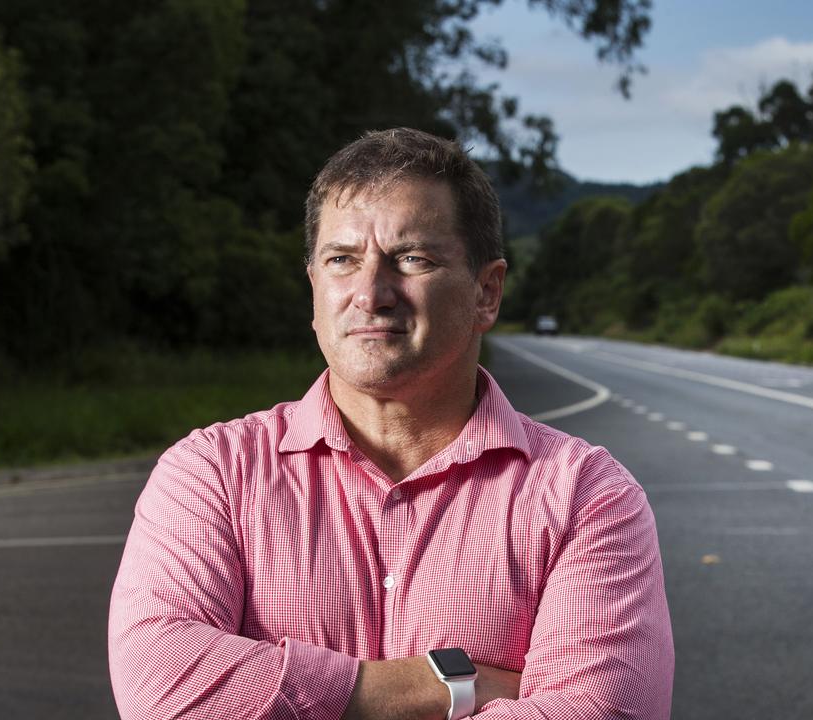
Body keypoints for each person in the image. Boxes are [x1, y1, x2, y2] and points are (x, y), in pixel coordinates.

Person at [108, 128, 674, 720]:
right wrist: (448, 687)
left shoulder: (586, 497)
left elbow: (606, 713)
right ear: (314, 288)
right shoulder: (211, 474)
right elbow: (161, 686)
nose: (371, 293)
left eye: (412, 259)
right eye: (342, 261)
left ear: (487, 291)